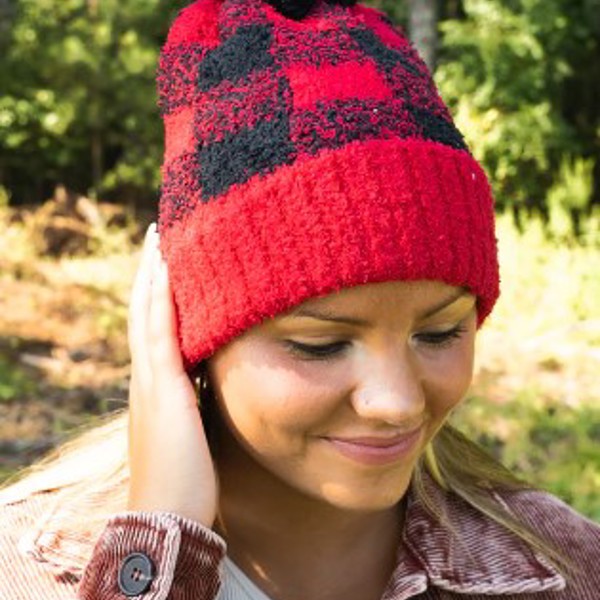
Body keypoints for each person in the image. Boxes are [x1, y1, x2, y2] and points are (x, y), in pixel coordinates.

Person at [0, 0, 598, 598]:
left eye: (439, 333)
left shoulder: (569, 568)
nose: (395, 402)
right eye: (322, 343)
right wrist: (160, 544)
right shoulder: (23, 568)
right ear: (188, 338)